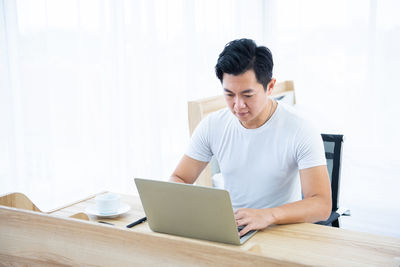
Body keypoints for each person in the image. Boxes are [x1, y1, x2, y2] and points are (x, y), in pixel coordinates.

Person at [170, 38, 331, 236]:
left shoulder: (300, 129)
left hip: (280, 230)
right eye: (229, 94)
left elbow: (321, 204)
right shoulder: (212, 125)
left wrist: (268, 215)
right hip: (231, 230)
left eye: (248, 95)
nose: (238, 105)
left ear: (270, 87)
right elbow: (179, 178)